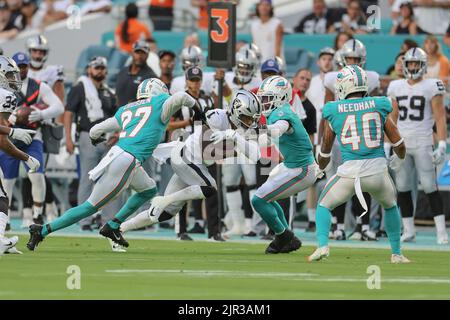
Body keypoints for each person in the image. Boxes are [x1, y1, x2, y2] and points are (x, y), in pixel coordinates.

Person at [26, 79, 198, 251]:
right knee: (90, 207)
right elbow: (182, 96)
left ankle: (113, 226)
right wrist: (199, 111)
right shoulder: (160, 102)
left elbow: (95, 130)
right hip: (128, 160)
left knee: (148, 190)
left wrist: (95, 138)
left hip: (121, 156)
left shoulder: (126, 109)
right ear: (159, 91)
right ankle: (42, 230)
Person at [111, 89, 262, 246]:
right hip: (186, 156)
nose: (250, 122)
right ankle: (165, 199)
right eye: (247, 117)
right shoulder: (217, 117)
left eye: (252, 119)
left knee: (165, 213)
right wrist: (232, 143)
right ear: (235, 111)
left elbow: (256, 155)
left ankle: (118, 228)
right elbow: (206, 150)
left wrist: (234, 137)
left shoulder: (240, 132)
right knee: (210, 187)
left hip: (195, 166)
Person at [308, 65, 409, 264]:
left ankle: (322, 246)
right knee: (390, 206)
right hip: (378, 171)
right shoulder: (379, 104)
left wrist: (320, 166)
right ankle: (397, 253)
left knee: (323, 205)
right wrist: (400, 158)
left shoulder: (333, 110)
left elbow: (325, 150)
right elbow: (398, 142)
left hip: (350, 173)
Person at [387, 47, 448, 245]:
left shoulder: (432, 85)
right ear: (404, 65)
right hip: (403, 142)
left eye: (416, 63)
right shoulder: (396, 86)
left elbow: (439, 117)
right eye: (410, 63)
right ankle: (409, 230)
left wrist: (441, 144)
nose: (413, 67)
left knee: (430, 186)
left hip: (423, 141)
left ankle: (441, 231)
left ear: (423, 65)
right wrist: (390, 144)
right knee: (403, 187)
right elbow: (392, 118)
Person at [252, 75, 320, 254]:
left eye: (266, 98)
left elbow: (278, 128)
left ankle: (283, 237)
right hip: (292, 165)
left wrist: (257, 130)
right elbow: (265, 142)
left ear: (280, 97)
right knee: (266, 197)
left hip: (302, 169)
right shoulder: (278, 111)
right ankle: (285, 237)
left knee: (258, 199)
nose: (263, 102)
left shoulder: (282, 113)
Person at [322, 39, 380, 241]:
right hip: (340, 137)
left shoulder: (371, 78)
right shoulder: (332, 78)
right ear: (342, 59)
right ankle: (336, 226)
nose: (353, 62)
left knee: (362, 183)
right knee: (338, 181)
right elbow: (327, 112)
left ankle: (362, 225)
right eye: (350, 58)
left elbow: (375, 111)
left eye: (356, 59)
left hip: (361, 136)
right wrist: (323, 143)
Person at [1, 52, 63, 228]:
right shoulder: (3, 89)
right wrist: (9, 119)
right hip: (8, 137)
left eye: (23, 67)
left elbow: (59, 106)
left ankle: (37, 215)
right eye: (17, 68)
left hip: (32, 136)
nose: (20, 71)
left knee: (37, 175)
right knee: (7, 180)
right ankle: (4, 219)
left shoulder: (38, 86)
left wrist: (41, 114)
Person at [64, 56, 119, 231]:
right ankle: (84, 220)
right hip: (88, 136)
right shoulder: (80, 88)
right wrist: (68, 138)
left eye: (102, 67)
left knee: (111, 179)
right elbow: (68, 113)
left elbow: (118, 117)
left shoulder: (108, 91)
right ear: (89, 69)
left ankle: (108, 220)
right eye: (96, 67)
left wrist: (117, 133)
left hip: (108, 138)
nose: (100, 71)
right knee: (87, 179)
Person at [0, 55, 40, 255]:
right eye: (8, 74)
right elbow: (1, 140)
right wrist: (13, 132)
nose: (13, 79)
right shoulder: (4, 95)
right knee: (1, 198)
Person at [220, 49, 261, 236]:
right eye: (242, 66)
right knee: (230, 181)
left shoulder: (258, 83)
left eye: (248, 67)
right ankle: (237, 224)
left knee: (252, 181)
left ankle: (252, 224)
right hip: (229, 134)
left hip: (248, 135)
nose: (244, 71)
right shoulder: (225, 78)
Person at [293, 69, 317, 231]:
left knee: (298, 191)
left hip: (297, 154)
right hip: (278, 151)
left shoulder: (310, 108)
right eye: (302, 78)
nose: (304, 82)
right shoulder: (285, 98)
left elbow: (310, 136)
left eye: (308, 79)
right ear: (294, 79)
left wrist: (308, 156)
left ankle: (309, 220)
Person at [115, 40, 157, 107]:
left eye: (143, 53)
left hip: (135, 115)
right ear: (132, 52)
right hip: (118, 114)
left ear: (148, 54)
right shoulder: (123, 71)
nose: (140, 56)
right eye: (137, 52)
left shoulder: (151, 77)